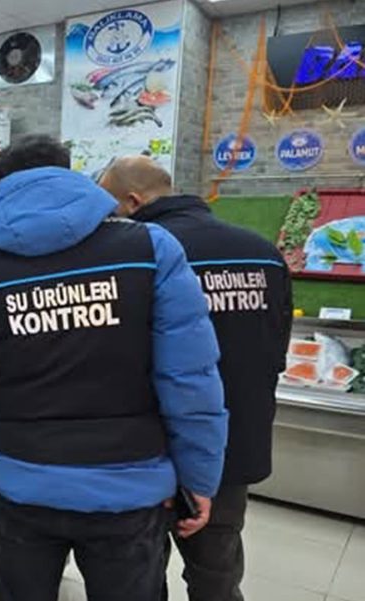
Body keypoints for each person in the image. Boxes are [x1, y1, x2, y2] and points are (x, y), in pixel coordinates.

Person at [0, 134, 228, 601]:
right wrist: (199, 478)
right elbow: (190, 380)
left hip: (21, 485)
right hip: (128, 488)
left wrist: (24, 403)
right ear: (69, 171)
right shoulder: (151, 248)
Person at [100, 156, 293, 601]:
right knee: (217, 573)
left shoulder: (137, 256)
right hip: (234, 441)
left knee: (142, 574)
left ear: (133, 201)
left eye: (111, 208)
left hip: (150, 443)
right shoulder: (261, 251)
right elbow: (276, 351)